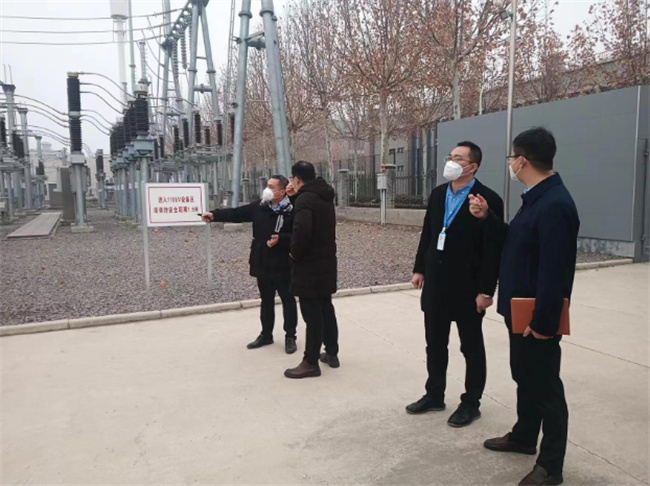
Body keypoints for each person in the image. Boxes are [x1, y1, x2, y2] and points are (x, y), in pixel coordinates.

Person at [469, 127, 580, 486]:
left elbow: (555, 271)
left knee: (546, 389)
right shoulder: (536, 198)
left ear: (522, 161)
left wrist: (545, 322)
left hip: (537, 318)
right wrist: (488, 218)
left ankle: (551, 467)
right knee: (525, 377)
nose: (511, 164)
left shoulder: (555, 204)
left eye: (512, 158)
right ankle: (524, 436)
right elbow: (517, 242)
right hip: (520, 312)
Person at [407, 141, 504, 427]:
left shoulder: (487, 199)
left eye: (458, 158)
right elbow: (429, 232)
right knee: (435, 344)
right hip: (436, 283)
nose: (451, 161)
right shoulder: (439, 194)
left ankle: (471, 403)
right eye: (450, 156)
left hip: (468, 287)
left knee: (471, 348)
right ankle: (434, 394)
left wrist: (486, 290)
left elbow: (493, 249)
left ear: (472, 166)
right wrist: (419, 268)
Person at [201, 176, 298, 354]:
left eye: (271, 187)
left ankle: (290, 336)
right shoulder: (260, 206)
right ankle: (266, 334)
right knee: (266, 300)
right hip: (262, 261)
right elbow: (236, 213)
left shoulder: (292, 209)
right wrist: (214, 215)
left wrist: (281, 239)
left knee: (288, 300)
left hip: (283, 262)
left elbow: (299, 234)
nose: (267, 190)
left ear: (282, 191)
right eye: (267, 186)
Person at [283, 161, 339, 379]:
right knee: (326, 308)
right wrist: (294, 197)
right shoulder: (323, 195)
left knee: (312, 315)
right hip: (326, 262)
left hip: (309, 266)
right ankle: (331, 353)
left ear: (297, 179)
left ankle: (310, 362)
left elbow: (302, 230)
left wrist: (293, 254)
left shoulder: (305, 198)